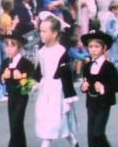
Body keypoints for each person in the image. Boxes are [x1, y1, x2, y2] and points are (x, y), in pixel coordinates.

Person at [34, 15, 79, 147]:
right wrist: (33, 83)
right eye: (40, 31)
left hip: (57, 90)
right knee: (48, 120)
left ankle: (46, 144)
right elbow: (39, 71)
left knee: (56, 121)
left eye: (44, 31)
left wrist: (69, 96)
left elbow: (66, 76)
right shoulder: (41, 52)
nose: (41, 34)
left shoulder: (61, 52)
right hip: (45, 90)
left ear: (54, 34)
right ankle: (73, 142)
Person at [80, 30, 118, 147]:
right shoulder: (87, 66)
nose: (93, 49)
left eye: (97, 47)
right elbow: (85, 82)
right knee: (91, 133)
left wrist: (104, 88)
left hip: (104, 103)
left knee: (98, 132)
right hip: (91, 102)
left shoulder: (109, 67)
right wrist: (83, 87)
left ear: (104, 49)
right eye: (90, 46)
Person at [0, 32, 35, 147]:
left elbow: (31, 82)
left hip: (21, 96)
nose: (9, 48)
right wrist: (3, 76)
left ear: (19, 47)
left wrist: (20, 77)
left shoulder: (26, 63)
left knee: (16, 122)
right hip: (11, 96)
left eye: (12, 45)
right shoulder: (5, 62)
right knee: (14, 124)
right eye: (7, 45)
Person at [105, 0, 118, 65]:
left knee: (115, 51)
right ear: (113, 9)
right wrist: (114, 35)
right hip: (113, 38)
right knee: (113, 52)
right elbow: (108, 29)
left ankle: (114, 63)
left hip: (115, 38)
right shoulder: (111, 18)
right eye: (117, 9)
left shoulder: (113, 17)